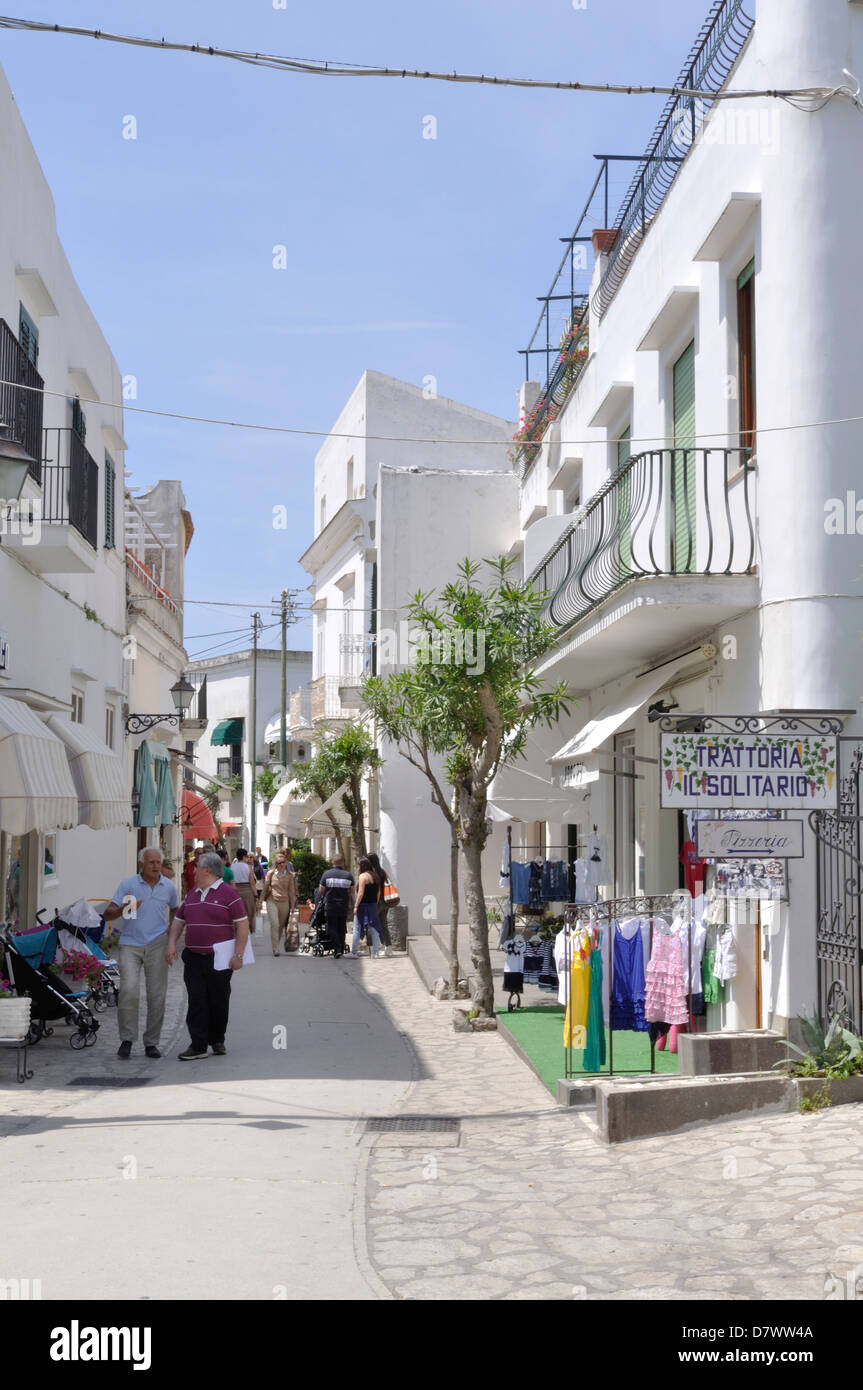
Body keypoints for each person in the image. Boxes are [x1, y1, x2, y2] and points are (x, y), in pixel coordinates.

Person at [166, 850, 249, 1060]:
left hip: (219, 958)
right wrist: (171, 944)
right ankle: (198, 1045)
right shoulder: (192, 893)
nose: (193, 871)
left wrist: (238, 956)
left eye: (196, 868)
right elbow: (179, 920)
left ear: (207, 870)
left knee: (218, 1000)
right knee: (196, 1000)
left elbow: (242, 925)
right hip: (193, 957)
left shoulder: (228, 894)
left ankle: (217, 1039)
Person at [104, 847, 178, 1060]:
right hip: (130, 943)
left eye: (158, 862)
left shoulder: (168, 886)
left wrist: (171, 931)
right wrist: (123, 909)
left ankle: (151, 1043)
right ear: (140, 865)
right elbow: (107, 914)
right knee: (129, 990)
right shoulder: (128, 885)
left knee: (157, 995)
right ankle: (127, 1039)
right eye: (151, 862)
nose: (156, 866)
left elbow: (176, 909)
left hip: (157, 943)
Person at [348, 856, 384, 959]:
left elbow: (361, 892)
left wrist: (356, 906)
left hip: (363, 906)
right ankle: (375, 953)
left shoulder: (363, 876)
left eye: (358, 865)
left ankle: (354, 952)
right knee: (374, 929)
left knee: (357, 929)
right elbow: (379, 893)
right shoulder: (376, 876)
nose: (357, 867)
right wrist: (375, 904)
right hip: (373, 905)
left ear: (362, 866)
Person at [261, 851, 297, 956]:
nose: (282, 864)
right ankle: (275, 949)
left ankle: (276, 944)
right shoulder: (270, 873)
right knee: (275, 924)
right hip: (272, 900)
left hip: (284, 903)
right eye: (279, 863)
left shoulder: (290, 875)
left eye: (283, 862)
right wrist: (260, 900)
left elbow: (291, 891)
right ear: (276, 864)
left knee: (280, 926)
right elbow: (265, 888)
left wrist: (293, 905)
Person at [320, 853, 355, 958]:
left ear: (332, 862)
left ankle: (338, 948)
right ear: (343, 863)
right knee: (341, 928)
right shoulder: (348, 875)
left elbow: (321, 890)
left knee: (331, 928)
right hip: (343, 906)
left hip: (330, 906)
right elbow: (352, 891)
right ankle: (341, 948)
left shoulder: (326, 874)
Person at [367, 852, 395, 957]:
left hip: (377, 902)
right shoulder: (382, 871)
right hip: (386, 902)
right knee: (383, 925)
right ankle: (388, 948)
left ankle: (375, 949)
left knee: (372, 924)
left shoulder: (373, 873)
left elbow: (376, 890)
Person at [230, 848, 257, 930]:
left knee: (236, 915)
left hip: (235, 892)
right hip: (247, 892)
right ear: (244, 856)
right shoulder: (248, 867)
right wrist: (256, 895)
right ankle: (246, 934)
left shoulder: (232, 867)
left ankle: (237, 932)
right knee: (248, 914)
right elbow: (252, 883)